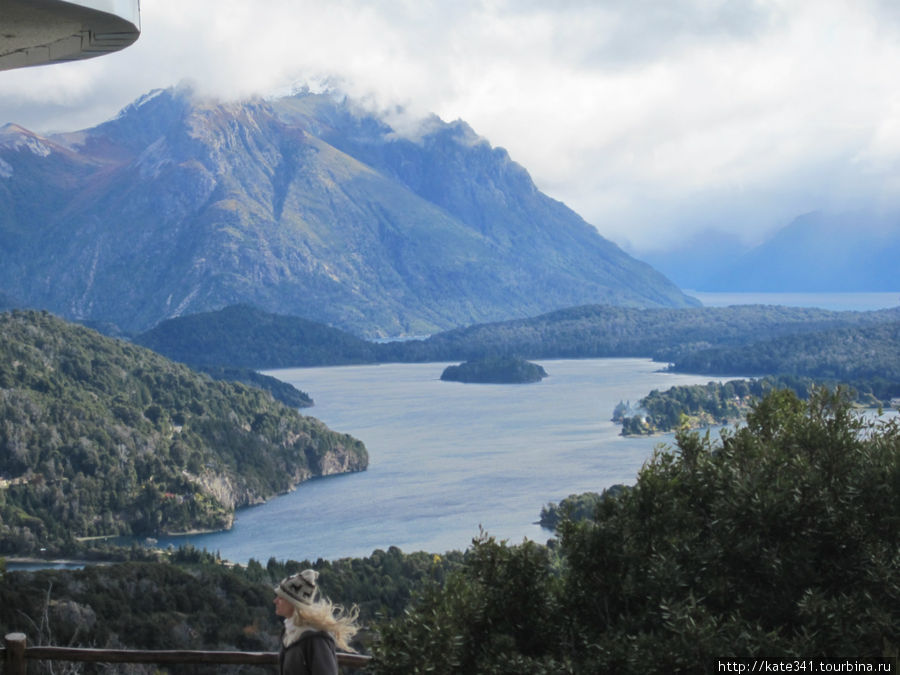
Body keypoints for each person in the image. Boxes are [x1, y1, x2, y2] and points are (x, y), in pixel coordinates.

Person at [273, 569, 360, 675]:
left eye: (281, 598)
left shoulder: (316, 639)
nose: (275, 601)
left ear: (293, 603)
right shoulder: (290, 634)